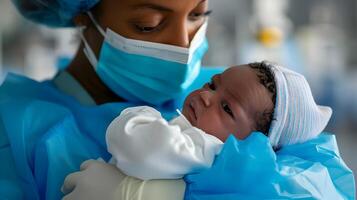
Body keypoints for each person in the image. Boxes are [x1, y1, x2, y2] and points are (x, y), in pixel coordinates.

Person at [0, 0, 354, 200]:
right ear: (83, 13)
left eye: (199, 14)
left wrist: (164, 194)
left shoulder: (241, 96)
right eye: (149, 24)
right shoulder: (19, 130)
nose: (182, 46)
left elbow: (315, 186)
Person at [105, 62, 332, 181]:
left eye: (226, 108)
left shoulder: (206, 149)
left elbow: (136, 144)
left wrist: (140, 115)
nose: (205, 96)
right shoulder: (192, 134)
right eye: (213, 85)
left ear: (251, 144)